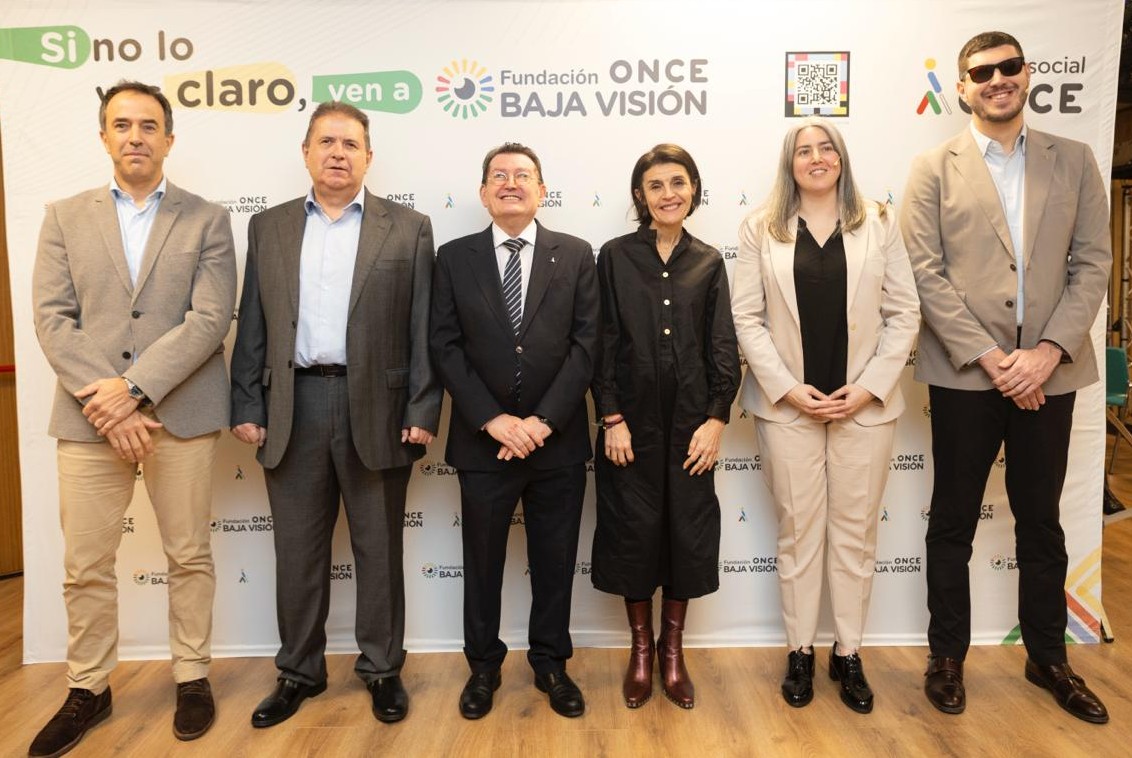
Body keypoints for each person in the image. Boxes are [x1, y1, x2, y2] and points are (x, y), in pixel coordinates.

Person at [901, 30, 1111, 724]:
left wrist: (1047, 352)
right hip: (968, 377)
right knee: (953, 522)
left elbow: (1092, 265)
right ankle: (946, 657)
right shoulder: (933, 167)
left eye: (1008, 68)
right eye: (981, 71)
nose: (997, 79)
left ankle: (1049, 656)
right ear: (961, 87)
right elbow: (924, 274)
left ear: (1027, 75)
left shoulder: (1075, 160)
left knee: (1041, 522)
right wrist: (995, 360)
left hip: (1050, 375)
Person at [29, 80, 236, 756]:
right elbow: (53, 318)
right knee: (86, 564)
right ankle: (89, 686)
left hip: (180, 411)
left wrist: (135, 389)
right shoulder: (64, 216)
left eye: (149, 125)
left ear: (170, 139)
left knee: (189, 556)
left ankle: (192, 676)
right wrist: (109, 399)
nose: (136, 136)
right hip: (89, 417)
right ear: (104, 137)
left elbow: (209, 320)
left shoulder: (207, 218)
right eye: (123, 125)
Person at [229, 101, 440, 728]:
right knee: (297, 552)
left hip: (376, 406)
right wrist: (247, 400)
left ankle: (381, 669)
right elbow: (253, 323)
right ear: (306, 152)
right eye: (326, 141)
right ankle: (299, 671)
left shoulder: (408, 227)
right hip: (292, 405)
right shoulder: (267, 228)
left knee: (379, 549)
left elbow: (423, 327)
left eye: (351, 143)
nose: (338, 153)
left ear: (369, 157)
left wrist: (422, 405)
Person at [732, 117, 920, 713]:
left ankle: (849, 652)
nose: (816, 158)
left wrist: (867, 388)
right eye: (803, 151)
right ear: (789, 164)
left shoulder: (879, 221)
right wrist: (787, 389)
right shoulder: (760, 227)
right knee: (798, 535)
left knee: (856, 537)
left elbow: (904, 314)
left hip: (864, 409)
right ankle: (799, 653)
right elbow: (747, 319)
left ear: (842, 157)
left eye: (826, 148)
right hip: (789, 411)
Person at [430, 143, 599, 720]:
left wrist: (543, 421)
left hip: (558, 443)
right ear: (482, 193)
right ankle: (483, 667)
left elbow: (586, 347)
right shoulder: (454, 258)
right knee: (481, 562)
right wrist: (494, 419)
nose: (510, 183)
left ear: (541, 190)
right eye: (498, 176)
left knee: (555, 561)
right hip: (484, 442)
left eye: (522, 175)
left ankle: (551, 663)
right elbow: (445, 346)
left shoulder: (575, 255)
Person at [590, 144, 739, 709]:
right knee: (633, 535)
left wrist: (716, 419)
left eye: (678, 182)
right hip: (630, 428)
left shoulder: (709, 261)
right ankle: (641, 652)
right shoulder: (615, 257)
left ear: (694, 189)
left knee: (686, 536)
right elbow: (602, 341)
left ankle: (672, 650)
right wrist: (612, 417)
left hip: (689, 432)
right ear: (639, 196)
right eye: (656, 185)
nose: (668, 193)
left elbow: (723, 345)